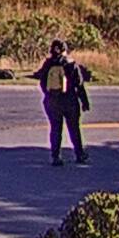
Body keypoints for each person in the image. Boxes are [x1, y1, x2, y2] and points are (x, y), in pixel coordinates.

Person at [31, 39, 91, 167]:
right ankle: (79, 154)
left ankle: (56, 156)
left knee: (55, 128)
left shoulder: (47, 64)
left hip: (52, 101)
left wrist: (49, 95)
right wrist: (84, 102)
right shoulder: (70, 64)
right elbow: (79, 84)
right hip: (69, 100)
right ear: (65, 50)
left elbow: (42, 83)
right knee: (74, 128)